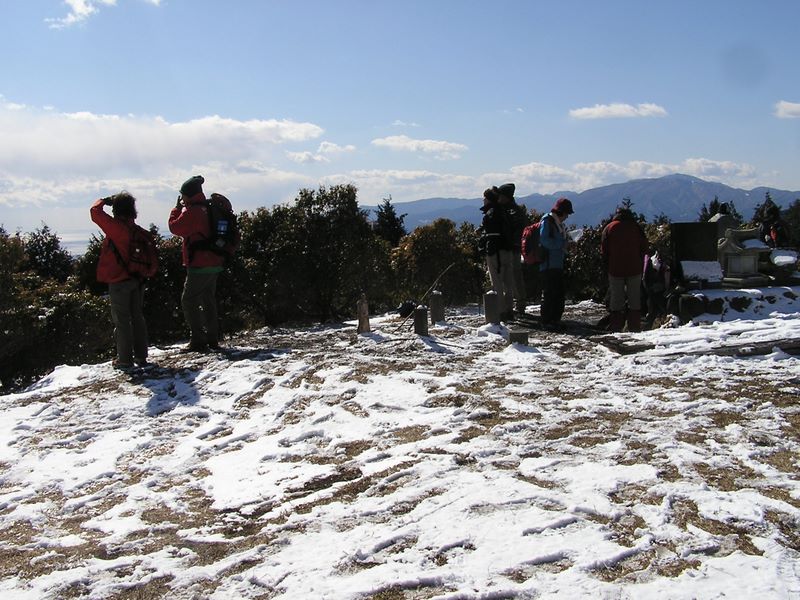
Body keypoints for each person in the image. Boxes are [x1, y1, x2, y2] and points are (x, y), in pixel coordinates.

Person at [90, 192, 151, 369]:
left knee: (122, 320)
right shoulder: (136, 230)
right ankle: (141, 355)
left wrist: (103, 200)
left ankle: (125, 359)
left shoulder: (117, 229)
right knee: (137, 317)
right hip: (137, 280)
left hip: (119, 281)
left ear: (116, 210)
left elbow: (95, 212)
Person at [169, 175, 229, 352]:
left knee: (188, 300)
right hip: (215, 261)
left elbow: (174, 227)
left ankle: (198, 340)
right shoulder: (209, 207)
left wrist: (176, 209)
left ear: (188, 195)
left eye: (183, 196)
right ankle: (212, 338)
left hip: (200, 264)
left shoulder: (192, 211)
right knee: (208, 299)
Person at [601, 206, 649, 332]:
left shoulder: (609, 227)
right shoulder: (636, 227)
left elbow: (604, 250)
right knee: (634, 300)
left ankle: (616, 328)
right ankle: (634, 328)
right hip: (634, 269)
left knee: (616, 300)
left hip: (615, 269)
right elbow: (644, 247)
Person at [479, 186, 515, 321]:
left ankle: (500, 312)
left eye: (484, 198)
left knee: (497, 282)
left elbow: (490, 235)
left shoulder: (491, 214)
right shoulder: (505, 211)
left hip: (494, 251)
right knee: (508, 282)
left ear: (488, 200)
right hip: (507, 250)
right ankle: (509, 309)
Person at [538, 197, 574, 330]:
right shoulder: (548, 222)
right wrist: (562, 244)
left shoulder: (556, 223)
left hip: (556, 263)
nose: (567, 217)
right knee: (549, 293)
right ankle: (547, 320)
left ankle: (554, 319)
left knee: (558, 293)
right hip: (548, 264)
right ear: (562, 212)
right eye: (567, 214)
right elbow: (544, 240)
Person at [496, 182, 527, 314]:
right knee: (509, 277)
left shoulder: (513, 211)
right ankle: (515, 303)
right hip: (507, 247)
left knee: (514, 276)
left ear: (506, 196)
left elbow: (519, 231)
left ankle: (520, 303)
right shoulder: (510, 210)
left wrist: (513, 243)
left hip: (512, 249)